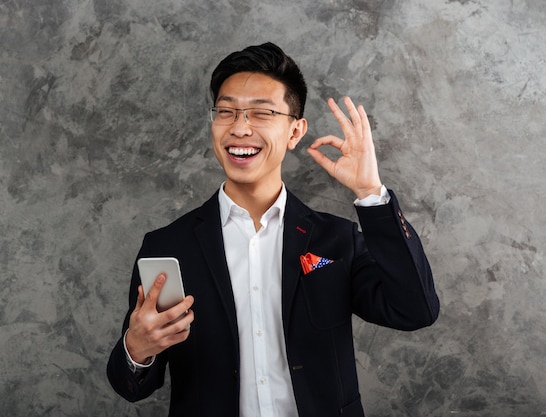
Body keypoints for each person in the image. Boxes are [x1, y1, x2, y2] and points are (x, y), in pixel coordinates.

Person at [107, 42, 439, 417]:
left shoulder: (336, 240)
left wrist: (370, 193)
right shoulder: (169, 246)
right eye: (227, 111)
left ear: (295, 131)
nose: (240, 128)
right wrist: (136, 348)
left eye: (261, 113)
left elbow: (415, 310)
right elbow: (132, 386)